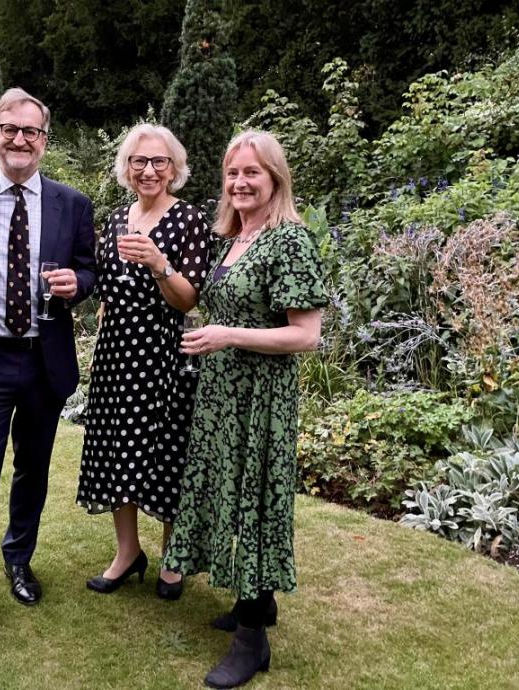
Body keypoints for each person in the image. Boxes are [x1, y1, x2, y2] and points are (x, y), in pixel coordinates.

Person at [163, 130, 327, 689]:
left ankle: (252, 638)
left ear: (275, 178)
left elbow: (306, 336)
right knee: (229, 495)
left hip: (261, 400)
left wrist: (228, 334)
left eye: (252, 173)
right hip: (222, 393)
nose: (240, 183)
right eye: (233, 174)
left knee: (254, 500)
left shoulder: (289, 241)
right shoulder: (234, 236)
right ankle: (255, 602)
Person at [0, 88, 96, 634]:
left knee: (33, 467)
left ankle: (18, 557)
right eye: (10, 129)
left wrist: (77, 282)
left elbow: (89, 270)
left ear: (44, 141)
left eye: (31, 131)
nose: (20, 139)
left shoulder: (72, 204)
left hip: (43, 360)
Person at [76, 124, 209, 599]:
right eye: (139, 161)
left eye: (159, 162)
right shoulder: (114, 220)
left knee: (166, 451)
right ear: (126, 168)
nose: (148, 170)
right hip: (117, 352)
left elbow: (187, 299)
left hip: (163, 353)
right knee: (116, 450)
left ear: (174, 169)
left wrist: (158, 263)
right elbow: (107, 292)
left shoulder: (190, 219)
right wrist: (99, 346)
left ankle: (173, 558)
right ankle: (127, 552)